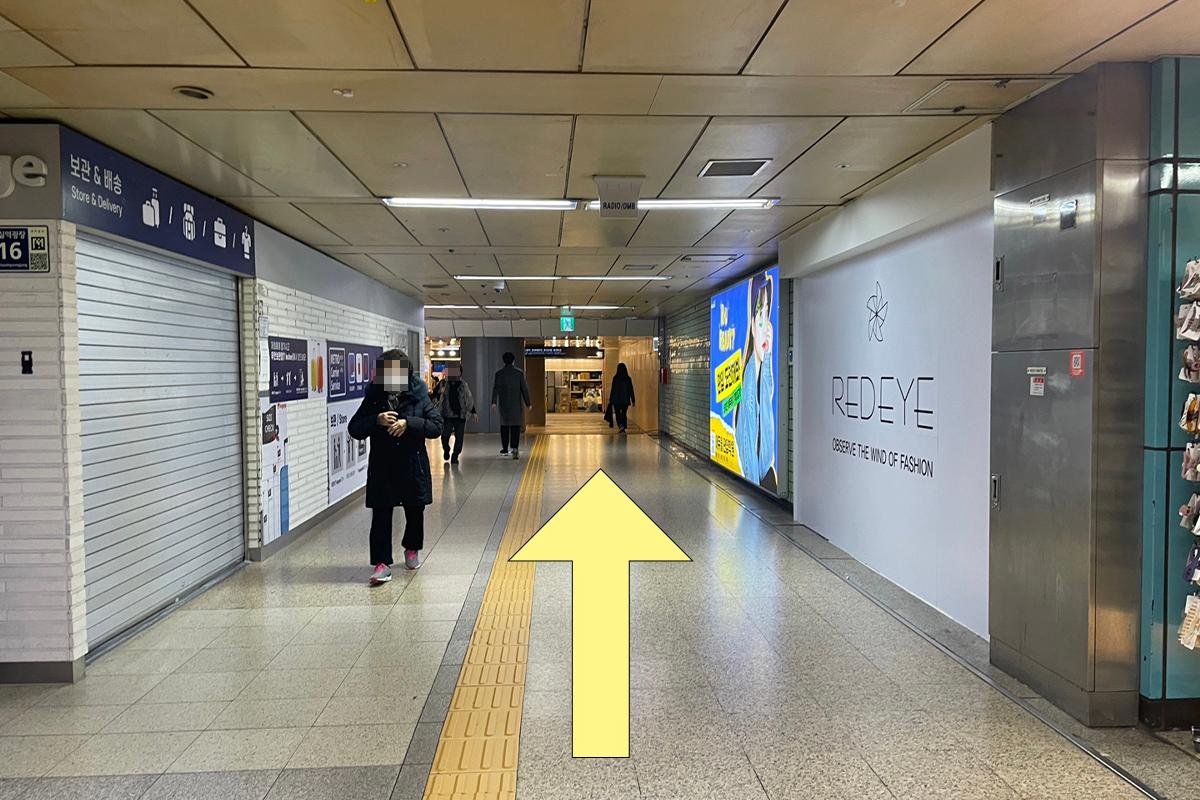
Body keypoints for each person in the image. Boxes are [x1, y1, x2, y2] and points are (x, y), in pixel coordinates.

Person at [348, 349, 443, 584]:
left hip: (413, 464)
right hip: (383, 465)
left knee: (415, 510)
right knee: (381, 514)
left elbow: (436, 426)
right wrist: (376, 420)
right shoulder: (374, 397)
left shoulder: (418, 395)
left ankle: (412, 548)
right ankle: (382, 563)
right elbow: (355, 428)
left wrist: (408, 423)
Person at [734, 272, 778, 494]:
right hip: (758, 479)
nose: (765, 327)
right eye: (759, 317)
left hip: (765, 476)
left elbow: (769, 388)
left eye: (767, 313)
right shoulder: (748, 384)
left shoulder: (762, 375)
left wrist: (768, 354)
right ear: (752, 325)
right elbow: (748, 446)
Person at [491, 351, 531, 460]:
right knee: (515, 427)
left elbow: (496, 389)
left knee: (504, 426)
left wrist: (494, 402)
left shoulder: (499, 374)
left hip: (504, 404)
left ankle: (504, 447)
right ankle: (515, 448)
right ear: (513, 361)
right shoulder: (519, 373)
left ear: (503, 361)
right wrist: (528, 403)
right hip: (516, 405)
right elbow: (524, 389)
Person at [435, 365, 477, 463]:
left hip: (460, 415)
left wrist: (473, 411)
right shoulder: (443, 383)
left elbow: (468, 398)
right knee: (445, 435)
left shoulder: (463, 384)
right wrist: (439, 393)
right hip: (447, 414)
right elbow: (435, 395)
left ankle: (455, 456)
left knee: (459, 437)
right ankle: (446, 449)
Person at [608, 362, 636, 434]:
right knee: (624, 414)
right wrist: (633, 400)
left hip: (616, 400)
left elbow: (613, 389)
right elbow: (631, 389)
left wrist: (610, 399)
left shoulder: (615, 378)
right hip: (625, 400)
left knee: (617, 413)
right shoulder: (628, 379)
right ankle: (623, 426)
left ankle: (620, 426)